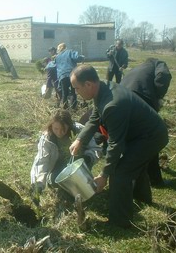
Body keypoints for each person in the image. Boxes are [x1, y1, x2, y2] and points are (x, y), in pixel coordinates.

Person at [69, 65, 168, 228]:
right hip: (144, 134)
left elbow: (115, 145)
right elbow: (95, 116)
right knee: (135, 164)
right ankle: (142, 199)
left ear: (88, 84)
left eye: (77, 88)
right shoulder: (102, 87)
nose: (76, 93)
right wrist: (81, 139)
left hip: (151, 137)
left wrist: (104, 174)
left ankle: (119, 222)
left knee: (120, 172)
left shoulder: (113, 105)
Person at [121, 58, 172, 187]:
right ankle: (155, 180)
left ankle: (133, 177)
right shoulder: (158, 63)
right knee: (151, 138)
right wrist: (158, 95)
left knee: (133, 140)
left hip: (123, 100)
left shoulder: (138, 68)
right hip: (142, 100)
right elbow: (164, 75)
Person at [30, 109, 102, 193]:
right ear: (51, 126)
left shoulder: (80, 130)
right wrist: (39, 182)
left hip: (80, 163)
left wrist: (88, 158)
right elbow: (42, 160)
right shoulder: (47, 138)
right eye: (56, 129)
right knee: (54, 181)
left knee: (83, 187)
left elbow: (96, 149)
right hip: (58, 164)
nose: (59, 132)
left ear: (69, 125)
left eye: (63, 129)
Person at [54, 43, 84, 109]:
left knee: (65, 93)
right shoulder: (70, 52)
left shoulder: (57, 56)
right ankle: (73, 108)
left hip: (62, 76)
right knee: (73, 91)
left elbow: (55, 65)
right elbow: (77, 58)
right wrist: (82, 57)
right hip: (72, 74)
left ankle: (65, 108)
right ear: (65, 47)